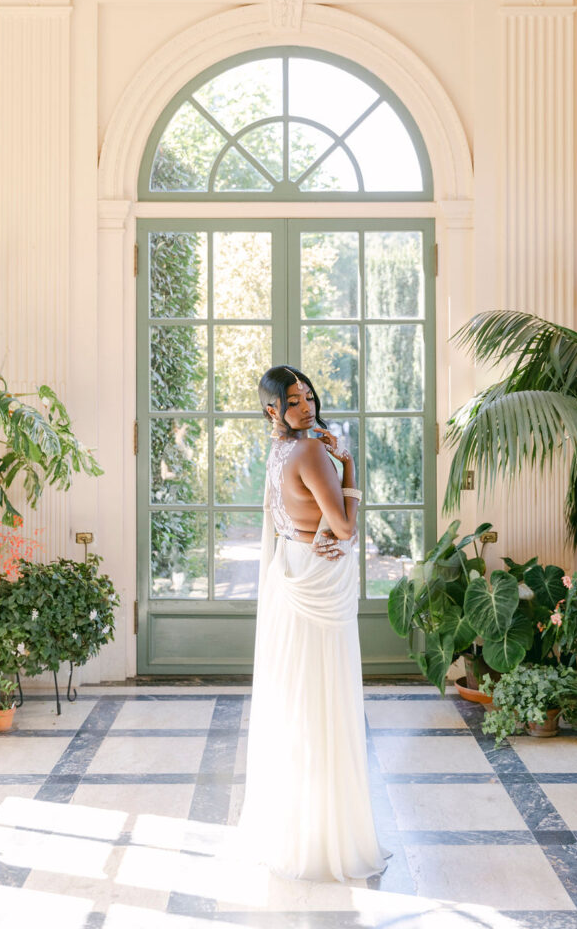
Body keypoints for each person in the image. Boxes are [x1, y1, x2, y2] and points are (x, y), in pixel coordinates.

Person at [235, 364, 390, 882]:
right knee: (325, 697)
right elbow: (344, 527)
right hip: (320, 577)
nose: (308, 408)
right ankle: (328, 839)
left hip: (291, 571)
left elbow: (291, 516)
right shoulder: (308, 450)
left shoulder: (278, 450)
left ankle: (294, 829)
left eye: (308, 397)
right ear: (272, 410)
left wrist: (331, 469)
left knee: (296, 697)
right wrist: (348, 466)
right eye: (295, 401)